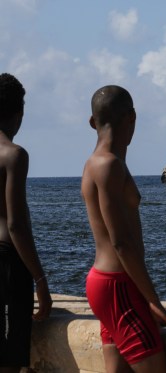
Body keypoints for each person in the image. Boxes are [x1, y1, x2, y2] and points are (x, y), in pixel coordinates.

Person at [81, 85, 166, 373]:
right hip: (118, 285)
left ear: (92, 123)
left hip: (102, 282)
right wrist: (154, 301)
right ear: (132, 118)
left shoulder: (92, 164)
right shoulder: (110, 165)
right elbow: (121, 243)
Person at [0, 73, 52, 372]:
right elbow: (17, 225)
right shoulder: (15, 155)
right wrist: (40, 281)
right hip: (8, 260)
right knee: (12, 357)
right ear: (19, 112)